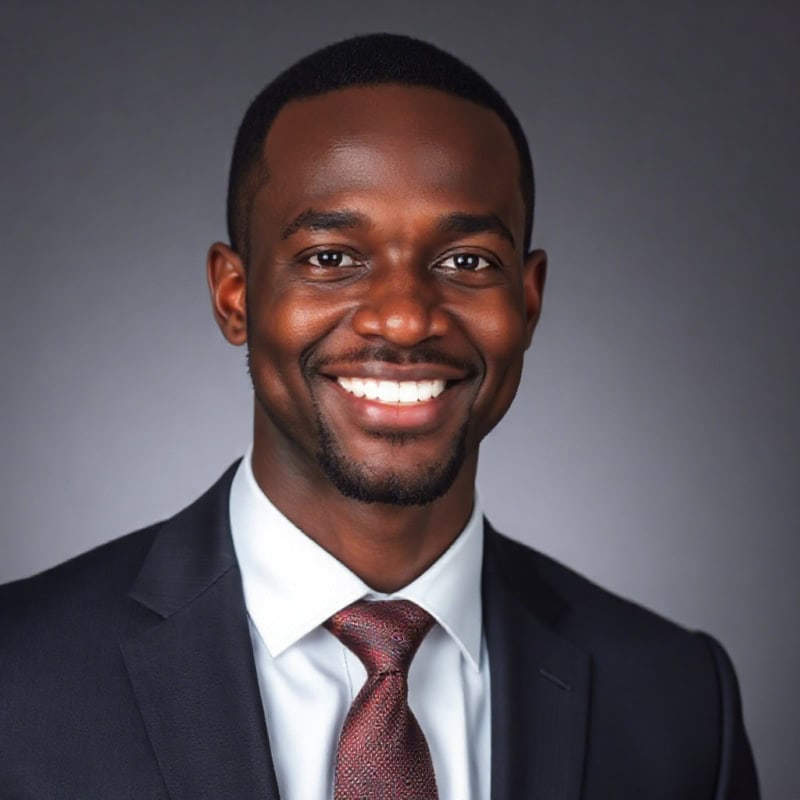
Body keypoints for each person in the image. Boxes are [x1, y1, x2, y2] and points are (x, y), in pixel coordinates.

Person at [0, 33, 758, 800]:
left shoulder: (682, 702)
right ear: (235, 295)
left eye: (466, 261)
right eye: (331, 258)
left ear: (527, 301)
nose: (402, 320)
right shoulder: (18, 676)